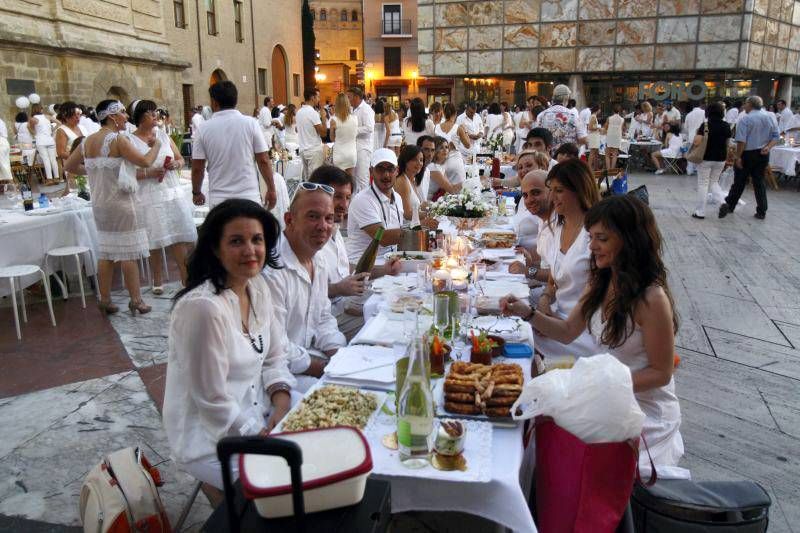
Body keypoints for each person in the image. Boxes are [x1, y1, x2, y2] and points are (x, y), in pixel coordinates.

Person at [501, 195, 686, 476]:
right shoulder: (602, 280)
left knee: (563, 436)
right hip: (603, 391)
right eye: (591, 238)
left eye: (602, 239)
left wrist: (603, 385)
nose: (592, 247)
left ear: (629, 240)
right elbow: (566, 332)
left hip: (640, 408)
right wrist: (527, 313)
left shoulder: (652, 298)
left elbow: (661, 373)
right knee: (538, 419)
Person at [163, 199, 295, 494]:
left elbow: (275, 356)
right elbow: (211, 399)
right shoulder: (203, 309)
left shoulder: (258, 287)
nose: (250, 250)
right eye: (237, 241)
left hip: (259, 412)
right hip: (211, 439)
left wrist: (282, 398)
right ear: (215, 248)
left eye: (257, 239)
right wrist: (258, 434)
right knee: (290, 481)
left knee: (327, 427)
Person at [63, 99, 160, 315]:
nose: (126, 117)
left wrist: (95, 172)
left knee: (106, 251)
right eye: (123, 113)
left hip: (100, 204)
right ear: (112, 116)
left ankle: (105, 298)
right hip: (122, 203)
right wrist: (158, 145)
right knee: (128, 252)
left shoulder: (87, 141)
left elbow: (68, 166)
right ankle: (136, 299)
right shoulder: (118, 140)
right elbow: (145, 162)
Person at [265, 184, 346, 392]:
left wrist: (338, 354)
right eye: (313, 216)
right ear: (289, 220)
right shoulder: (272, 269)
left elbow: (323, 318)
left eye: (328, 218)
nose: (322, 226)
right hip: (274, 375)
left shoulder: (317, 259)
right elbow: (275, 347)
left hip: (307, 359)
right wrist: (322, 367)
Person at [310, 165, 401, 340]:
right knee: (390, 329)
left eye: (347, 197)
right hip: (325, 322)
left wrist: (385, 270)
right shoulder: (309, 239)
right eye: (337, 197)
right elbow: (303, 292)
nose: (344, 205)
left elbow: (351, 270)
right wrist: (338, 289)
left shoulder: (335, 233)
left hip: (344, 308)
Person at [525, 159, 602, 359]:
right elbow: (553, 278)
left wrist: (539, 317)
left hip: (584, 330)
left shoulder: (595, 236)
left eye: (559, 190)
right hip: (558, 315)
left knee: (522, 337)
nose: (552, 197)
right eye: (551, 190)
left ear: (578, 190)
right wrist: (544, 300)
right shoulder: (558, 227)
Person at [127, 99, 196, 290]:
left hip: (170, 192)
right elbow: (128, 173)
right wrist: (148, 173)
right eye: (150, 113)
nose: (155, 115)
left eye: (155, 111)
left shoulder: (163, 136)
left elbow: (180, 158)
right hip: (149, 195)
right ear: (140, 118)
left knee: (177, 235)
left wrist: (176, 164)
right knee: (154, 239)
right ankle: (156, 280)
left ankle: (185, 278)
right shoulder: (129, 141)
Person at [191, 81, 276, 209]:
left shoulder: (203, 129)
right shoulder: (250, 123)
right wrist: (271, 189)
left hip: (219, 199)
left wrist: (196, 192)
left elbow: (198, 167)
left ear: (214, 102)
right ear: (235, 100)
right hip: (248, 196)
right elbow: (263, 160)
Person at [719, 95, 779, 220]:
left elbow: (741, 141)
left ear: (750, 104)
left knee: (739, 181)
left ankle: (730, 204)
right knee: (759, 181)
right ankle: (762, 210)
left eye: (746, 104)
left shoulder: (745, 119)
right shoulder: (770, 117)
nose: (744, 106)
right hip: (763, 153)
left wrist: (738, 157)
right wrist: (768, 147)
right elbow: (776, 136)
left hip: (747, 153)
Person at [345, 148, 405, 262]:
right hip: (361, 265)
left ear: (397, 171)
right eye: (380, 169)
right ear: (371, 171)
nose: (386, 175)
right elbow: (383, 238)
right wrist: (418, 231)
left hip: (390, 263)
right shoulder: (363, 199)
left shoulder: (397, 197)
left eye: (390, 169)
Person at [508, 169, 552, 281]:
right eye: (525, 195)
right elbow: (547, 266)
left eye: (536, 193)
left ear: (552, 192)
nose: (529, 200)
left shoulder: (559, 224)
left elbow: (561, 277)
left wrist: (528, 270)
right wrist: (531, 262)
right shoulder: (543, 220)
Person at [691, 102, 731, 219]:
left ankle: (700, 211)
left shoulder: (705, 125)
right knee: (714, 182)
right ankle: (722, 202)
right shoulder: (726, 125)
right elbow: (727, 143)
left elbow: (696, 142)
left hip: (706, 158)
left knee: (703, 183)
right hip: (721, 158)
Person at [535, 84, 587, 154]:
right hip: (568, 157)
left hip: (547, 158)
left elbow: (536, 137)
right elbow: (582, 139)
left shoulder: (541, 115)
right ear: (565, 98)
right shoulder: (573, 115)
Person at [435, 102, 470, 188]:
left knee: (442, 193)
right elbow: (468, 145)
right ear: (455, 113)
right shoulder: (458, 128)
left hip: (441, 164)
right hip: (455, 162)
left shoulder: (436, 127)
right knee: (459, 192)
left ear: (444, 113)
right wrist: (465, 130)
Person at [348, 86, 375, 192]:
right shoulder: (352, 109)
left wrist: (353, 130)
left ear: (356, 97)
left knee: (362, 177)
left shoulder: (366, 109)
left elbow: (369, 128)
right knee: (354, 177)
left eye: (349, 97)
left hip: (363, 148)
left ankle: (364, 201)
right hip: (354, 147)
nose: (348, 100)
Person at [296, 88, 327, 180]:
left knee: (308, 180)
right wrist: (324, 117)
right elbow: (323, 133)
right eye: (317, 96)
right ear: (312, 97)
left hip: (303, 149)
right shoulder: (312, 112)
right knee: (315, 180)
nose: (319, 99)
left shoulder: (299, 112)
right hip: (313, 150)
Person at [55, 101, 87, 188]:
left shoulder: (82, 127)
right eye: (74, 115)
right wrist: (78, 158)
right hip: (73, 165)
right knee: (77, 189)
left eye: (78, 114)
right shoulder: (62, 130)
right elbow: (61, 152)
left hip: (87, 163)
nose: (77, 117)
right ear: (66, 116)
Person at [394, 144, 427, 227]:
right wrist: (432, 214)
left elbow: (415, 207)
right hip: (405, 230)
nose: (419, 163)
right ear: (405, 161)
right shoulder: (402, 181)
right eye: (414, 160)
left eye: (421, 160)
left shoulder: (413, 180)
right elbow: (407, 214)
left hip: (415, 227)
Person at [29, 103, 59, 181]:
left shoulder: (33, 119)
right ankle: (56, 177)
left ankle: (49, 178)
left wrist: (34, 133)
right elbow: (59, 123)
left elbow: (31, 129)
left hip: (40, 141)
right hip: (50, 139)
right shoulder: (47, 116)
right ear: (41, 109)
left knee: (46, 159)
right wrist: (52, 130)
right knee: (53, 159)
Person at [426, 136, 462, 200]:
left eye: (446, 147)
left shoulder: (440, 167)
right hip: (427, 201)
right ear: (435, 150)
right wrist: (468, 183)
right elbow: (451, 189)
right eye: (441, 148)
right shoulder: (432, 167)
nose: (445, 150)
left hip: (436, 200)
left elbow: (449, 188)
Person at [330, 92, 358, 175]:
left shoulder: (333, 120)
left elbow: (332, 138)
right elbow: (355, 135)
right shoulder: (355, 118)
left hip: (339, 154)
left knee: (339, 182)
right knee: (350, 181)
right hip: (351, 153)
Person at [684, 102, 706, 175]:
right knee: (700, 154)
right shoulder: (703, 112)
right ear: (700, 105)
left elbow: (685, 128)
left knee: (691, 154)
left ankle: (689, 170)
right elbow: (706, 124)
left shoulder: (688, 115)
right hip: (701, 137)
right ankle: (697, 169)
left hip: (691, 137)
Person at [586, 104, 601, 170]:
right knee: (592, 152)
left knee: (595, 152)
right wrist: (598, 128)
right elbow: (590, 127)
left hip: (594, 135)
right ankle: (589, 167)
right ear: (597, 110)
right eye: (599, 109)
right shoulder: (593, 117)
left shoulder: (593, 116)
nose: (600, 111)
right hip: (593, 136)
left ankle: (596, 167)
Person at [0, 117, 10, 184]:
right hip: (4, 142)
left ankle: (13, 187)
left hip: (1, 143)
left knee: (4, 165)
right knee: (5, 164)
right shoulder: (1, 121)